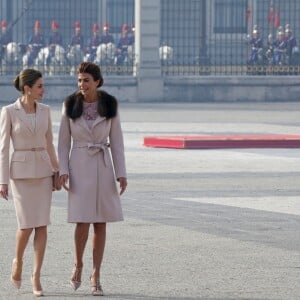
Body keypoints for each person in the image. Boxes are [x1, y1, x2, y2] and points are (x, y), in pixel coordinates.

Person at [57, 62, 127, 296]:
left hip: (103, 167)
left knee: (100, 222)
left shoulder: (109, 104)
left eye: (86, 80)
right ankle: (78, 265)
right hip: (79, 166)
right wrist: (63, 170)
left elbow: (117, 142)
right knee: (81, 221)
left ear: (97, 81)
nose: (82, 85)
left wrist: (121, 173)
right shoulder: (69, 104)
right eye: (79, 80)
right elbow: (63, 142)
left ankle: (96, 275)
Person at [0, 69, 59, 296]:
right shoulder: (9, 111)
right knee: (25, 226)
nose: (44, 90)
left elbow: (50, 143)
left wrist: (58, 169)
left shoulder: (46, 111)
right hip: (21, 174)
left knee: (42, 225)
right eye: (40, 86)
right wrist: (2, 181)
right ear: (28, 88)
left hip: (44, 172)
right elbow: (3, 149)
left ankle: (36, 276)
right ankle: (18, 260)